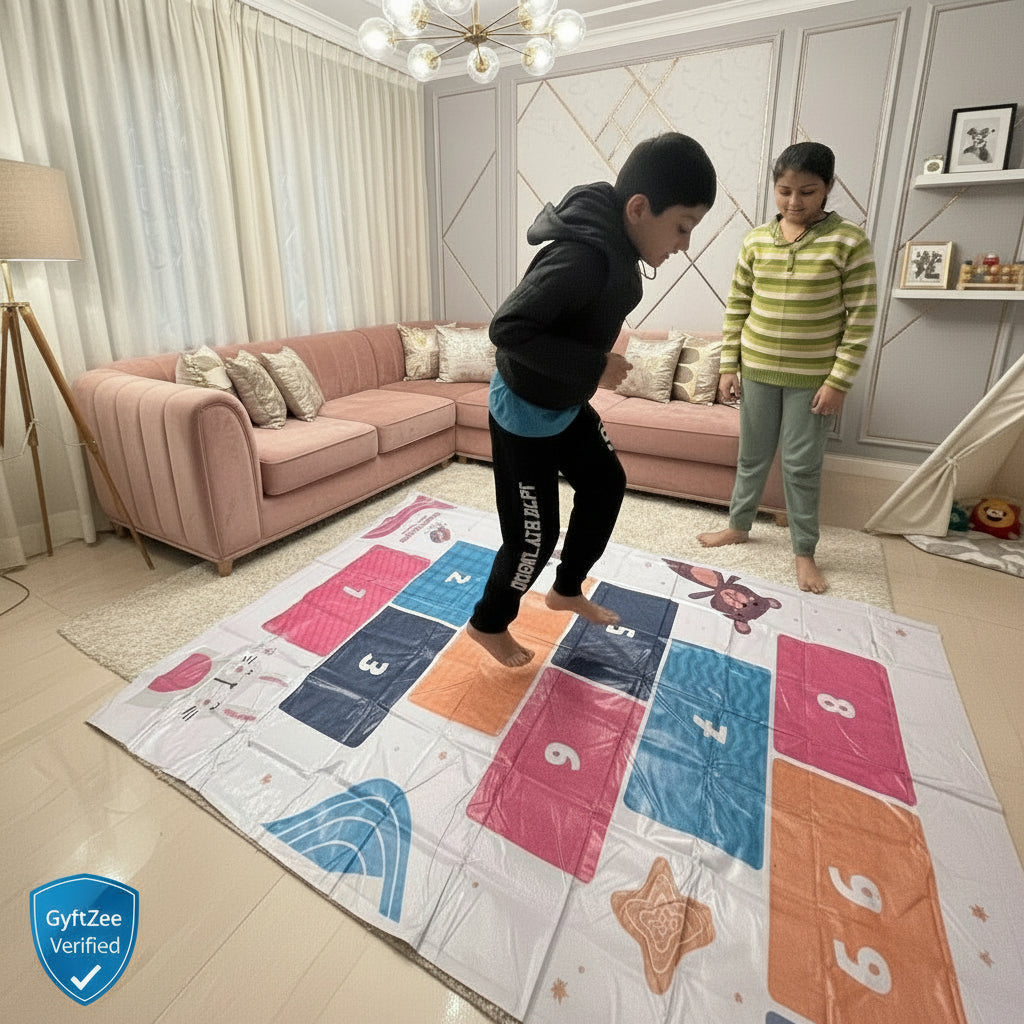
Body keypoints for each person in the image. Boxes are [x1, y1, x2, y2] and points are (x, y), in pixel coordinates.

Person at [467, 133, 717, 666]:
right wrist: (595, 367)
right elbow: (508, 328)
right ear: (638, 209)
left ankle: (566, 589)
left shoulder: (617, 245)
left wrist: (585, 370)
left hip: (564, 402)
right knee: (533, 539)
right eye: (682, 227)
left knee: (605, 484)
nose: (684, 245)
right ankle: (488, 623)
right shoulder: (581, 257)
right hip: (524, 412)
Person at [698, 141, 877, 594]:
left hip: (812, 380)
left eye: (807, 192)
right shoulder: (757, 240)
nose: (794, 202)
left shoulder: (849, 241)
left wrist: (838, 382)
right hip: (756, 371)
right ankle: (738, 525)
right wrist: (729, 366)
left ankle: (804, 552)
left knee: (801, 466)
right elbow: (737, 307)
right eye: (784, 191)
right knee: (751, 457)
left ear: (828, 187)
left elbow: (860, 318)